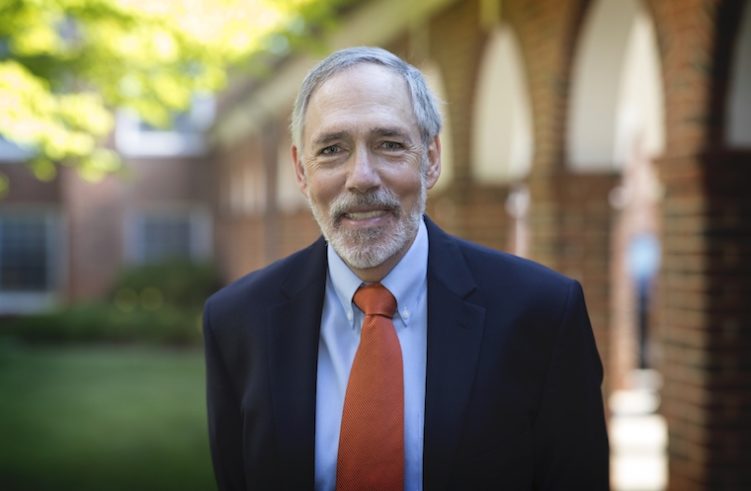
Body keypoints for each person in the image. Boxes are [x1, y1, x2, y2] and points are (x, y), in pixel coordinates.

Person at [203, 46, 609, 490]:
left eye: (390, 145)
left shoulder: (543, 314)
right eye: (333, 149)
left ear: (431, 159)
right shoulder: (237, 323)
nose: (361, 177)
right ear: (302, 171)